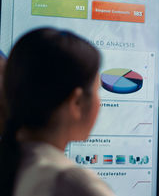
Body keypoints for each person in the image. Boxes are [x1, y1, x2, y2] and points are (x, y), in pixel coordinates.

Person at [0, 28, 115, 196]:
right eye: (97, 90)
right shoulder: (70, 181)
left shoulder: (12, 164)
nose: (100, 102)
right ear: (76, 102)